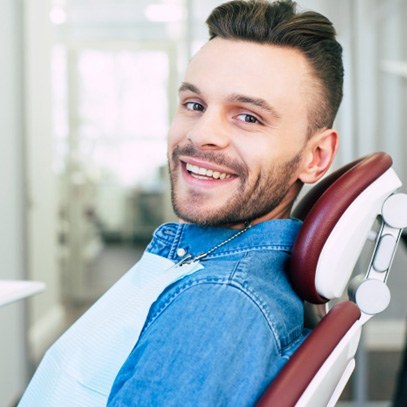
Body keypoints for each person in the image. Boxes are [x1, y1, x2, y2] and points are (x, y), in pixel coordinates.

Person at [19, 0, 343, 406]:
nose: (202, 134)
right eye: (194, 105)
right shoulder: (214, 270)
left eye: (248, 117)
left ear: (315, 157)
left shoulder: (218, 304)